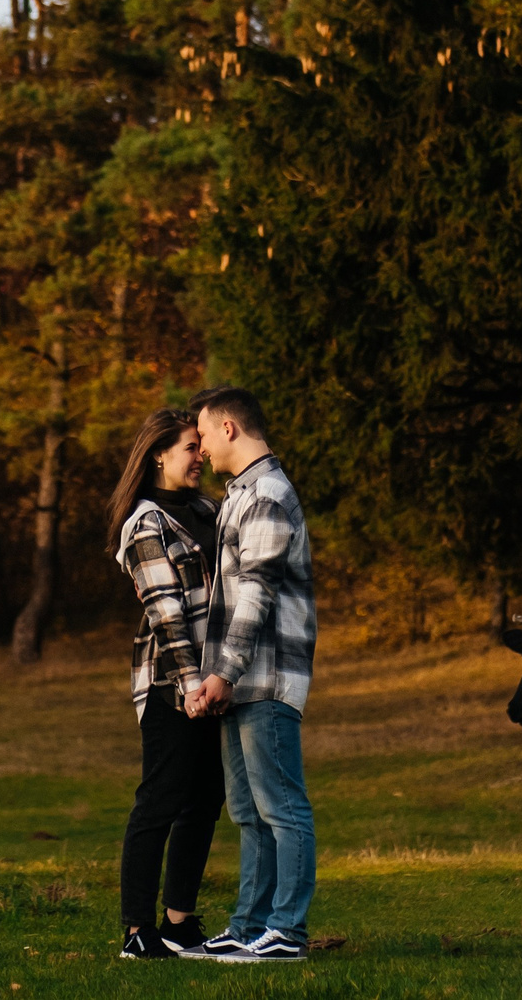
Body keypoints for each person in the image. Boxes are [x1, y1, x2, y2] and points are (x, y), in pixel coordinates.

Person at [184, 385, 317, 963]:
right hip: (240, 682)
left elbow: (258, 595)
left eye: (203, 435)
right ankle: (248, 926)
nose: (201, 448)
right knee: (248, 811)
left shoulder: (267, 494)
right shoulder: (240, 494)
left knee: (281, 807)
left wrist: (226, 671)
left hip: (266, 678)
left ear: (229, 428)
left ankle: (286, 931)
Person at [107, 406, 224, 960]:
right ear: (158, 454)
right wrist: (190, 683)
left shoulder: (207, 510)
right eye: (189, 448)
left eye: (201, 446)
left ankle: (179, 921)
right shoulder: (145, 523)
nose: (201, 456)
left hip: (214, 681)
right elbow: (166, 612)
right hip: (169, 682)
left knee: (205, 798)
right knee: (160, 799)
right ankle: (137, 931)